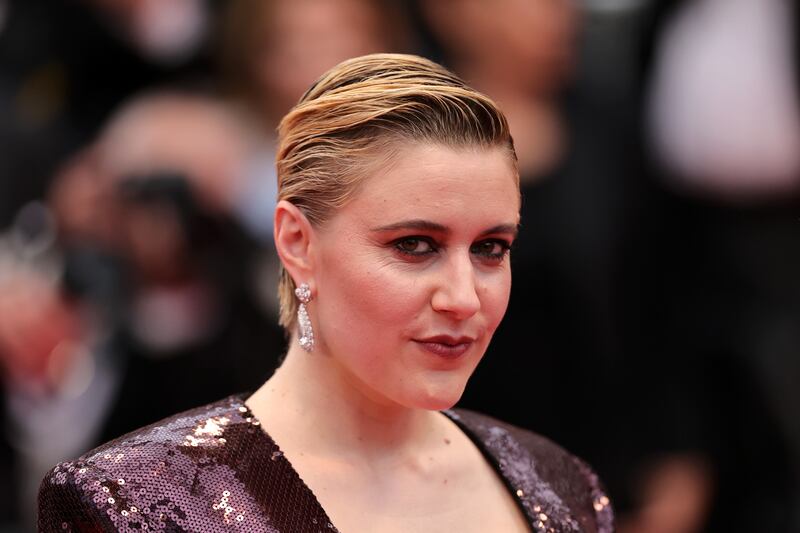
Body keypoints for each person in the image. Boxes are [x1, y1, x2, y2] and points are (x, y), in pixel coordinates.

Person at [37, 54, 614, 532]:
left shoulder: (562, 489)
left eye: (491, 248)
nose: (464, 298)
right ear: (297, 243)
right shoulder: (134, 505)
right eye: (414, 245)